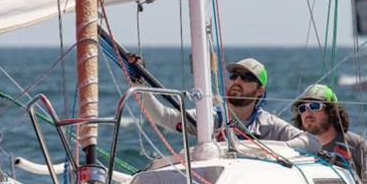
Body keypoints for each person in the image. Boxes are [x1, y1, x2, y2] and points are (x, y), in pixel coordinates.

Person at [135, 57, 321, 152]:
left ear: (259, 91)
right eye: (234, 76)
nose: (237, 81)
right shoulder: (213, 120)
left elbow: (313, 143)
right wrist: (138, 84)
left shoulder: (269, 126)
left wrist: (278, 148)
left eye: (246, 77)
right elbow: (162, 117)